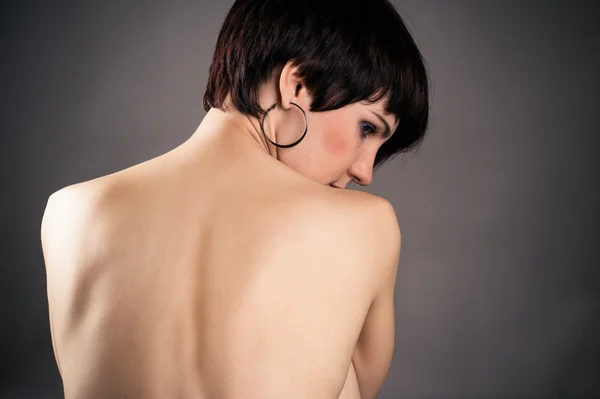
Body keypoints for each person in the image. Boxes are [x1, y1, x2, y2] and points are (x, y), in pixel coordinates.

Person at [40, 0, 429, 398]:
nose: (365, 171)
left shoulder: (70, 212)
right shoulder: (367, 224)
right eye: (367, 127)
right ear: (297, 85)